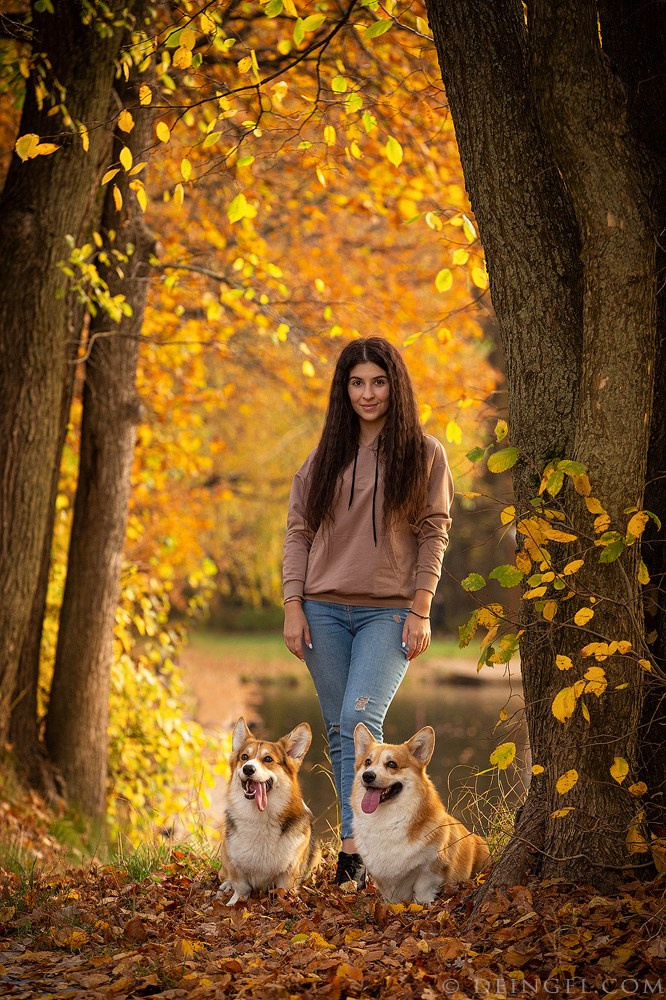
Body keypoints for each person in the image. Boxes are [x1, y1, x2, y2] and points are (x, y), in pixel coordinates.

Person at [282, 337, 454, 887]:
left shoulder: (424, 453)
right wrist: (292, 604)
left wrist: (421, 606)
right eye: (356, 383)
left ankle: (371, 847)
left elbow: (435, 531)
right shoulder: (324, 457)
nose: (367, 393)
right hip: (322, 608)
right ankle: (354, 852)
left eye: (378, 382)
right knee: (340, 731)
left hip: (389, 613)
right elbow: (298, 532)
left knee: (360, 719)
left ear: (395, 386)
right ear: (344, 389)